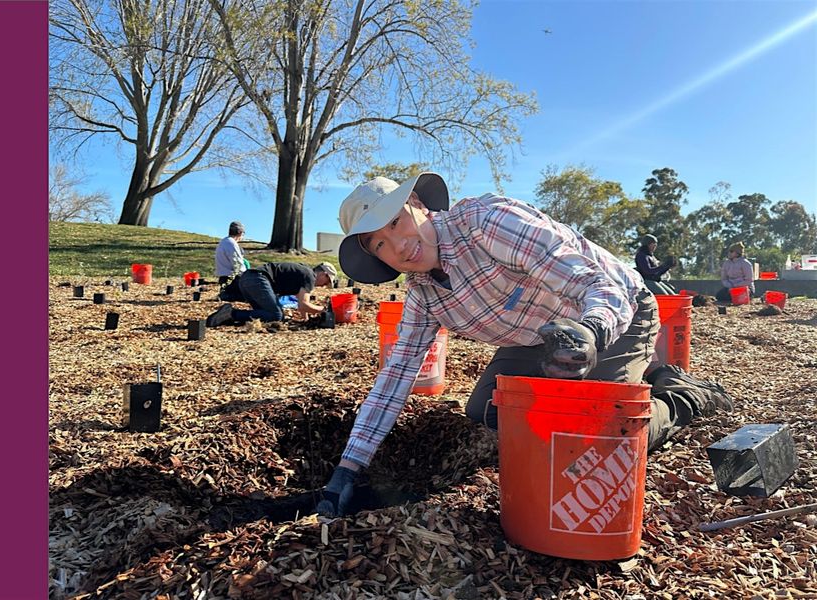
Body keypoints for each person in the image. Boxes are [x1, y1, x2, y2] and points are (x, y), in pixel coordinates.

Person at [315, 173, 728, 518]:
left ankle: (680, 396)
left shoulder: (489, 223)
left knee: (596, 439)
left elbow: (596, 284)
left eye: (395, 223)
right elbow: (394, 380)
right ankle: (645, 373)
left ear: (420, 204)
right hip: (536, 337)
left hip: (613, 311)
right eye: (381, 245)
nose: (399, 244)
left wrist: (592, 334)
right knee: (487, 413)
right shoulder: (424, 295)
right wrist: (349, 468)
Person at [206, 261, 336, 326]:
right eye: (326, 281)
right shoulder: (310, 277)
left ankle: (226, 317)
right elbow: (303, 305)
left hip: (247, 279)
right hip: (258, 279)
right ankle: (232, 314)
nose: (324, 285)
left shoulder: (304, 273)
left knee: (266, 314)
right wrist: (324, 311)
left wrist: (305, 320)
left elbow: (301, 305)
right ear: (323, 274)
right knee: (276, 315)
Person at [215, 221, 248, 287]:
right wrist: (247, 275)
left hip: (223, 278)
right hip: (232, 280)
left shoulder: (223, 241)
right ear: (240, 233)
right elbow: (238, 265)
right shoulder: (232, 243)